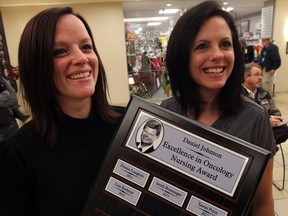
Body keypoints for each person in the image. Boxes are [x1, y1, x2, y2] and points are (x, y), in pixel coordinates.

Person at [0, 7, 124, 216]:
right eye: (60, 51)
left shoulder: (130, 125)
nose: (81, 58)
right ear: (36, 64)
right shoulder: (16, 154)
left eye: (86, 47)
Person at [160, 1, 275, 215]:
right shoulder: (167, 112)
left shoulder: (254, 118)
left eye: (225, 44)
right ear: (182, 55)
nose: (218, 55)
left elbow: (263, 203)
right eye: (202, 46)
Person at [242, 62, 288, 144]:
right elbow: (241, 120)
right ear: (246, 77)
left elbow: (276, 112)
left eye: (261, 75)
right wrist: (266, 122)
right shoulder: (238, 95)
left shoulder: (264, 94)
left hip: (266, 130)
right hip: (246, 132)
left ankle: (265, 148)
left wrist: (275, 120)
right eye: (256, 75)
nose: (260, 78)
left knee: (284, 129)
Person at [0, 73, 29, 141]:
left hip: (12, 125)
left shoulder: (1, 78)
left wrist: (3, 102)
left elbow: (13, 96)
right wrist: (6, 95)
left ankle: (21, 116)